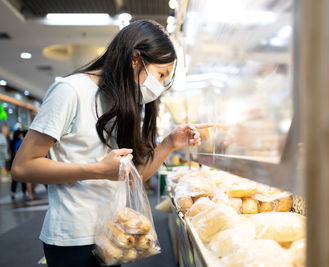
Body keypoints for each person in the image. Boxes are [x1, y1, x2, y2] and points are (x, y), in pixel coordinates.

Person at [11, 20, 211, 267]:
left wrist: (169, 143)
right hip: (73, 240)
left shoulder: (121, 102)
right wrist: (97, 170)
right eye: (161, 75)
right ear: (135, 59)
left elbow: (132, 176)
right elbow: (23, 167)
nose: (160, 86)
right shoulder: (70, 90)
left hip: (114, 234)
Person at [10, 129, 26, 200]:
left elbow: (10, 151)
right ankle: (24, 192)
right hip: (20, 161)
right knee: (23, 177)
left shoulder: (11, 142)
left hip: (13, 161)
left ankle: (13, 193)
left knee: (14, 178)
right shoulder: (20, 142)